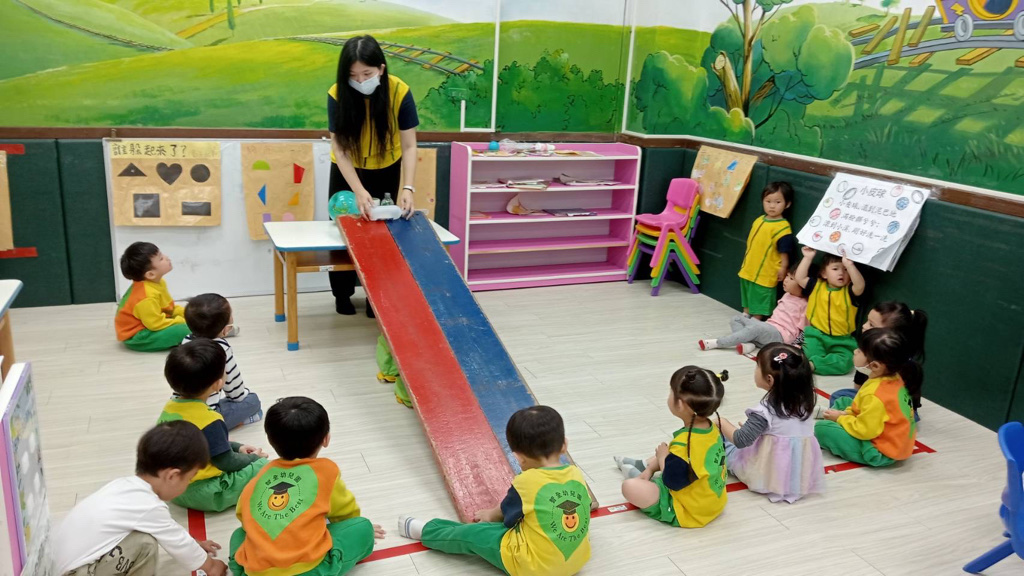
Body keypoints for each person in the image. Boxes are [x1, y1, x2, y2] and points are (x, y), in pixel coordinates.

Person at [397, 406, 592, 576]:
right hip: (577, 562)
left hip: (533, 568)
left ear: (519, 458)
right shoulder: (576, 474)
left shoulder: (526, 482)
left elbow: (506, 519)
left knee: (475, 533)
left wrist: (490, 514)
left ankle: (427, 532)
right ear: (564, 445)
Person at [230, 397, 385, 576]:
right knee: (363, 526)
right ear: (326, 439)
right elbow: (345, 513)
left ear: (271, 441)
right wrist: (352, 528)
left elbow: (243, 515)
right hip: (311, 571)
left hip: (257, 571)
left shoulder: (260, 475)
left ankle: (238, 569)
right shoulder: (326, 472)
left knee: (239, 535)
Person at [53, 421, 228, 576]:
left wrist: (195, 543)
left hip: (63, 563)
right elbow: (178, 542)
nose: (188, 484)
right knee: (145, 544)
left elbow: (168, 528)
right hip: (78, 572)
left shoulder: (124, 486)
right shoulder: (148, 505)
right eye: (189, 479)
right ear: (173, 476)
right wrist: (211, 566)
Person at [327, 34, 419, 316]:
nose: (360, 80)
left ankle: (375, 298)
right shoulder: (337, 93)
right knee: (344, 231)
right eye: (353, 75)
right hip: (347, 170)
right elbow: (340, 149)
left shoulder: (399, 92)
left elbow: (409, 145)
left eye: (366, 74)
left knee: (382, 234)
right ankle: (342, 294)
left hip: (386, 167)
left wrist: (408, 188)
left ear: (381, 68)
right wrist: (358, 190)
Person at [157, 339, 268, 512]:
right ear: (217, 384)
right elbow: (227, 462)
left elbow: (203, 442)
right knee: (263, 466)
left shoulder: (170, 408)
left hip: (171, 488)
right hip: (204, 493)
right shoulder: (210, 419)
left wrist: (237, 447)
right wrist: (253, 458)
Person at [614, 367, 728, 528]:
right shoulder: (712, 429)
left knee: (629, 487)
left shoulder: (684, 445)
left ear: (680, 404)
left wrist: (662, 457)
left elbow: (672, 481)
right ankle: (644, 468)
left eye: (671, 392)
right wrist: (652, 469)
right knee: (669, 452)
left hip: (688, 511)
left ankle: (639, 474)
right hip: (713, 502)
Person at [719, 344, 824, 503]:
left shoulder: (765, 410)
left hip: (767, 477)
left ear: (769, 379)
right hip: (798, 477)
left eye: (757, 366)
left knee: (724, 440)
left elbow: (741, 440)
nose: (755, 370)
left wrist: (721, 422)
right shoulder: (804, 403)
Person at [815, 329, 920, 467]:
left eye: (859, 351)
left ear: (875, 365)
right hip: (891, 438)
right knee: (843, 400)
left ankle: (834, 422)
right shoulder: (893, 377)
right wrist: (845, 414)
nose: (854, 351)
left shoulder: (875, 395)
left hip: (880, 451)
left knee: (822, 429)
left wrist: (840, 418)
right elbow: (863, 409)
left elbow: (865, 431)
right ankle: (834, 418)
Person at [828, 302, 928, 414]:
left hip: (895, 407)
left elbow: (909, 401)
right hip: (870, 398)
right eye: (867, 321)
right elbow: (858, 388)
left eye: (871, 325)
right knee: (840, 396)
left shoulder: (906, 365)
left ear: (891, 335)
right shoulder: (868, 352)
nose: (864, 326)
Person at [182, 293, 263, 429]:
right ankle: (238, 422)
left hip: (182, 410)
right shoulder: (221, 349)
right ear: (225, 330)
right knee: (253, 401)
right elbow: (236, 393)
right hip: (208, 416)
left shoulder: (185, 341)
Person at [699, 270, 807, 354]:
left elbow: (804, 329)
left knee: (756, 328)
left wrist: (793, 347)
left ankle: (718, 343)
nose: (786, 280)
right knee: (736, 319)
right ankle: (748, 344)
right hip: (768, 327)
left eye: (791, 278)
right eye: (787, 276)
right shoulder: (787, 295)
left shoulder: (805, 304)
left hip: (780, 336)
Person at [795, 247, 865, 375]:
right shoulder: (816, 286)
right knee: (811, 352)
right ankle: (816, 362)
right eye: (835, 269)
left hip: (842, 340)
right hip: (816, 334)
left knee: (846, 362)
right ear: (824, 273)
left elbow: (860, 286)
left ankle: (812, 365)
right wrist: (807, 257)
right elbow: (800, 278)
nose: (841, 273)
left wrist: (850, 265)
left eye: (845, 270)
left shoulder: (849, 292)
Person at [115, 242, 190, 351]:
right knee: (183, 330)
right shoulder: (146, 297)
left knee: (192, 315)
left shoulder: (159, 283)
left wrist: (188, 314)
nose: (167, 257)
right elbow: (155, 324)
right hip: (138, 336)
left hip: (150, 323)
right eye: (161, 258)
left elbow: (169, 308)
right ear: (150, 274)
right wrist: (181, 321)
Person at [737, 182, 794, 319]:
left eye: (777, 202)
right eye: (768, 201)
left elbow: (784, 252)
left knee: (761, 298)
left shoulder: (783, 228)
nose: (772, 206)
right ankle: (745, 314)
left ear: (787, 204)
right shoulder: (759, 220)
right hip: (749, 269)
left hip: (766, 273)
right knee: (748, 294)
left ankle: (756, 322)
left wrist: (783, 268)